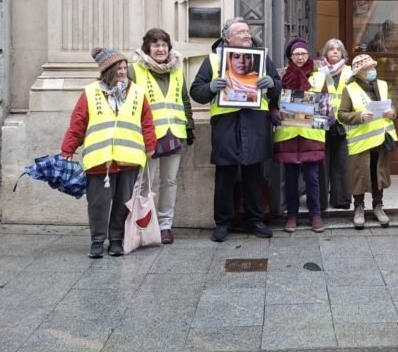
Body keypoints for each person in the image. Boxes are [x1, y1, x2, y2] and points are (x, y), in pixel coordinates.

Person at [190, 17, 281, 242]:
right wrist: (211, 87)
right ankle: (223, 223)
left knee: (254, 174)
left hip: (255, 123)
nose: (247, 35)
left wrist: (271, 83)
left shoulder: (261, 58)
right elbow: (196, 91)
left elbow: (278, 86)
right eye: (241, 32)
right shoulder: (213, 60)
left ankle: (255, 220)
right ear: (227, 37)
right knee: (225, 175)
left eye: (248, 32)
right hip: (226, 124)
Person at [61, 47, 156, 258]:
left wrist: (150, 145)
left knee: (124, 203)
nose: (123, 72)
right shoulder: (90, 92)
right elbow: (78, 124)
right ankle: (97, 240)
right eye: (118, 68)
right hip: (99, 160)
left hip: (129, 158)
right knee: (98, 204)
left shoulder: (138, 93)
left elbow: (147, 122)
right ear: (107, 71)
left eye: (124, 68)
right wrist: (67, 149)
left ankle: (116, 239)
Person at [129, 29, 194, 245]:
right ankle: (145, 224)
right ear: (147, 47)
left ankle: (165, 225)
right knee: (146, 182)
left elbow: (184, 100)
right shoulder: (135, 70)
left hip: (174, 133)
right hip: (147, 136)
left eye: (164, 44)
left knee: (170, 181)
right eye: (155, 45)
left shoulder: (176, 69)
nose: (160, 49)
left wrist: (189, 126)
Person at [337, 54, 397, 228]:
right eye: (368, 68)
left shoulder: (383, 85)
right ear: (360, 73)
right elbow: (341, 114)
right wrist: (360, 116)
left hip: (381, 138)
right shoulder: (350, 89)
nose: (372, 71)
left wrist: (392, 113)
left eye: (373, 67)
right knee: (360, 176)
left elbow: (392, 106)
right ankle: (359, 208)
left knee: (377, 174)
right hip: (361, 141)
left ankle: (378, 207)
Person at [274, 37, 326, 233]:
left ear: (308, 54)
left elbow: (327, 102)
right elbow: (274, 101)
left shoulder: (319, 76)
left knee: (312, 177)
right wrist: (273, 114)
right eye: (296, 54)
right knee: (291, 178)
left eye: (303, 53)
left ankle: (316, 215)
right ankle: (292, 216)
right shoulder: (281, 76)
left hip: (310, 134)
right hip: (288, 134)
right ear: (290, 56)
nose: (300, 57)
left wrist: (328, 115)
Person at [316, 38, 352, 210]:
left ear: (343, 53)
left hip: (343, 124)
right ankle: (321, 202)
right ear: (326, 53)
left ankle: (341, 199)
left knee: (342, 164)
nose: (335, 52)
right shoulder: (318, 72)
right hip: (321, 122)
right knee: (321, 165)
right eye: (331, 49)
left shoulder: (350, 72)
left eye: (338, 49)